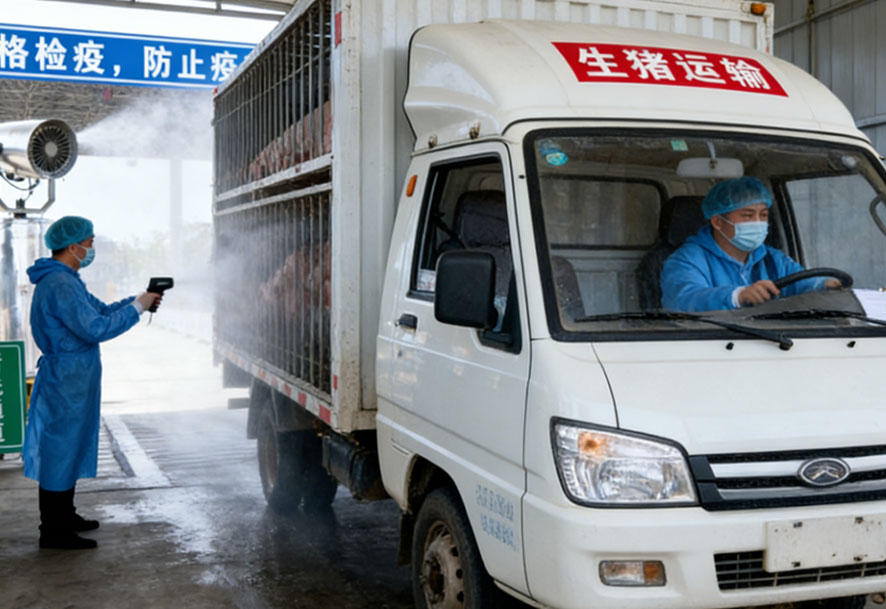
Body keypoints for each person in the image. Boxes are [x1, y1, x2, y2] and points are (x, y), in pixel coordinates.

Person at [23, 216, 162, 550]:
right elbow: (96, 328)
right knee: (60, 450)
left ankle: (64, 515)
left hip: (73, 377)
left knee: (67, 447)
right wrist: (138, 309)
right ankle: (54, 530)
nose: (91, 247)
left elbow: (100, 311)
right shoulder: (59, 284)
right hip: (66, 378)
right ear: (73, 246)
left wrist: (137, 300)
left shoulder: (68, 280)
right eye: (89, 242)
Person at [660, 177, 838, 312]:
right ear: (718, 222)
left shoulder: (772, 257)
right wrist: (737, 296)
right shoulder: (686, 260)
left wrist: (825, 284)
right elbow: (684, 300)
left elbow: (802, 281)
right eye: (747, 215)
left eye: (763, 215)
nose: (758, 222)